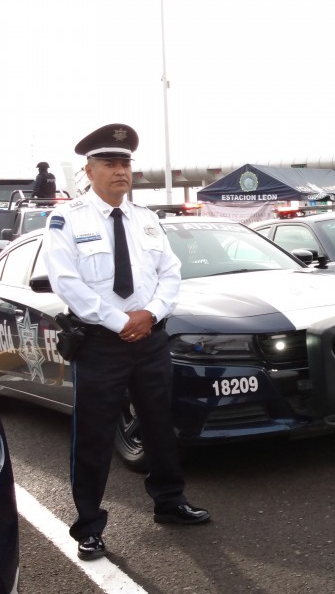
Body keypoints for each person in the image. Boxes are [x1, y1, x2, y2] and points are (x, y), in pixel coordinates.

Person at [42, 123, 209, 562]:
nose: (120, 171)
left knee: (160, 426)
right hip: (100, 344)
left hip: (150, 340)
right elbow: (66, 281)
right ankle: (89, 527)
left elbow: (170, 273)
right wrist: (120, 321)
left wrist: (149, 315)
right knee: (94, 437)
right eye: (109, 164)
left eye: (125, 163)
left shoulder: (146, 219)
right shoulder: (66, 219)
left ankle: (170, 502)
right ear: (89, 171)